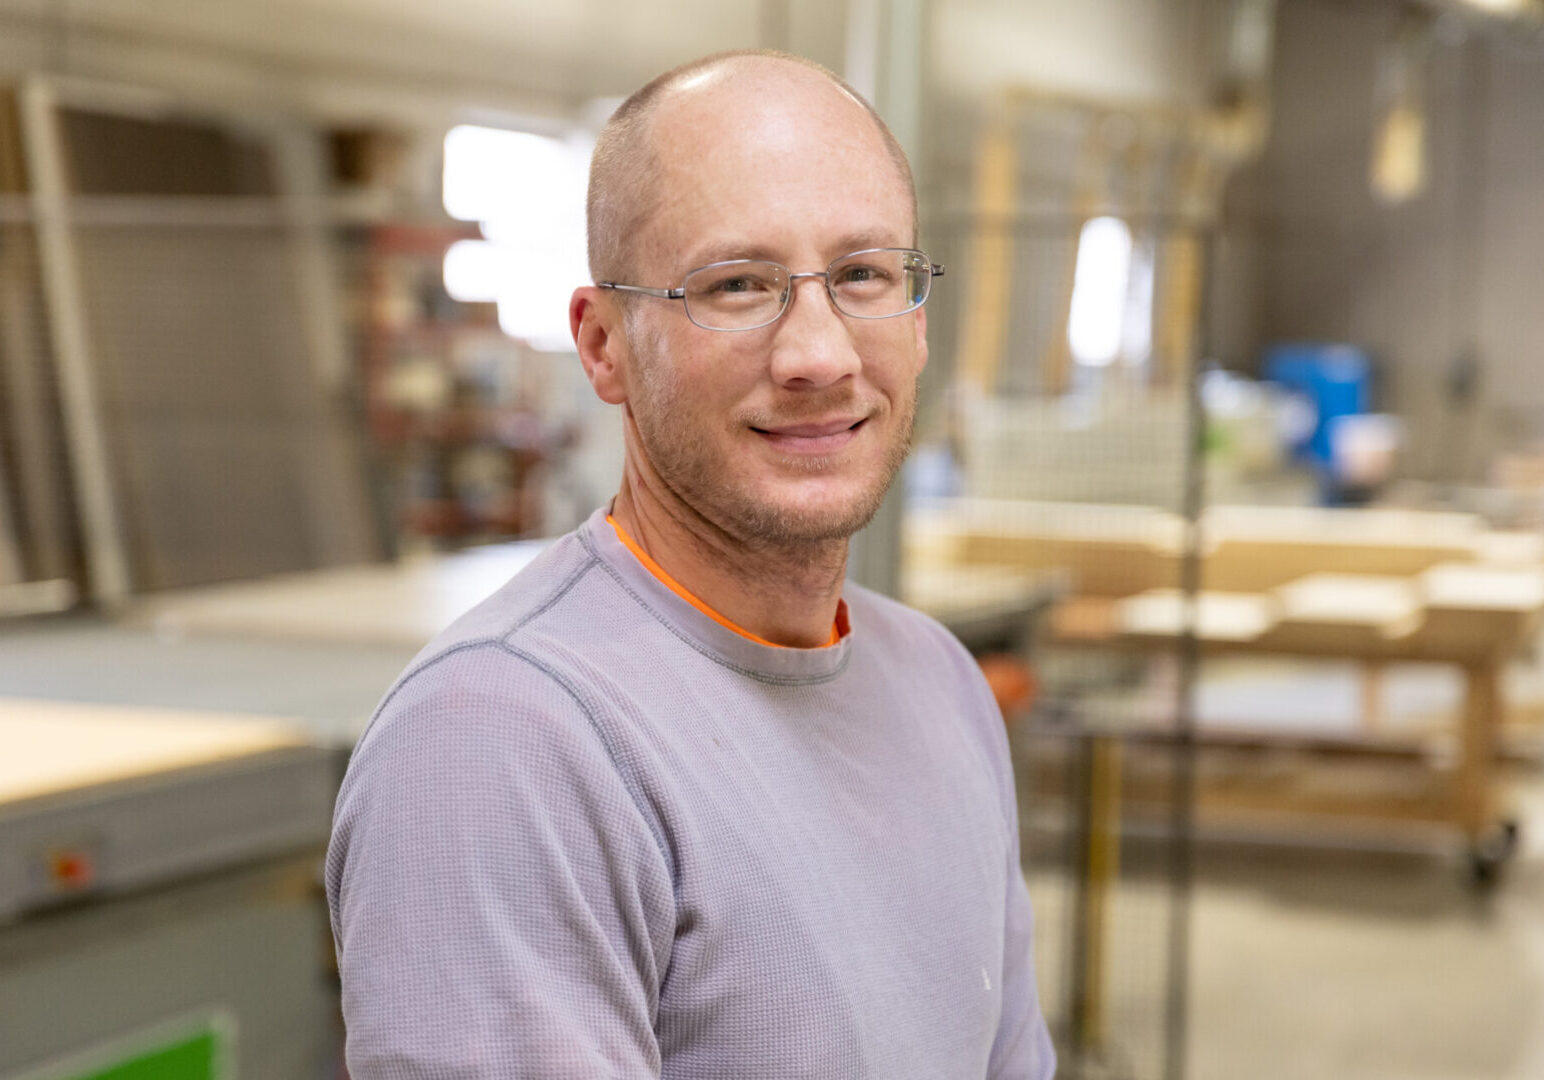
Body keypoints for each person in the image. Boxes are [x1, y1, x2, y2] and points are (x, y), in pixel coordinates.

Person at [326, 49, 1056, 1080]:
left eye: (861, 275)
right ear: (603, 344)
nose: (819, 355)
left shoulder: (939, 682)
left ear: (918, 317)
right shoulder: (505, 745)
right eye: (737, 285)